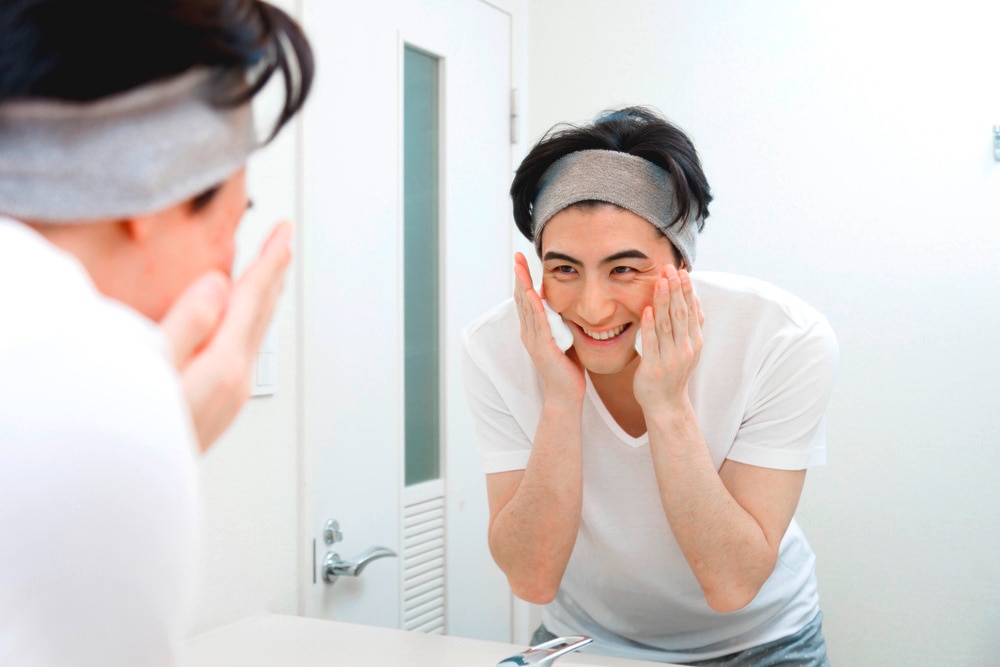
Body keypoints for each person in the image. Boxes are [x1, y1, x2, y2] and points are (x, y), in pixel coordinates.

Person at [462, 107, 838, 665]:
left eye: (624, 269)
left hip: (761, 643)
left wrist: (666, 403)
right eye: (564, 269)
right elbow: (532, 578)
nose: (591, 307)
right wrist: (562, 399)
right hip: (585, 641)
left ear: (680, 265)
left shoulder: (780, 337)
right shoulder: (499, 347)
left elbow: (732, 584)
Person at [0, 1, 313, 665]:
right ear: (152, 185)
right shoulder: (95, 384)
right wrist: (149, 429)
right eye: (234, 219)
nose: (229, 266)